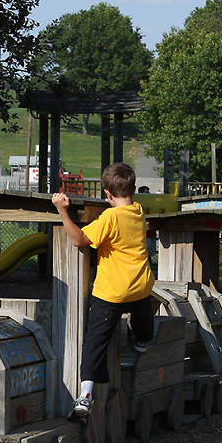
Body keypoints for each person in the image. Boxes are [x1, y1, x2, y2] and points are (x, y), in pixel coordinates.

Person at [51, 163, 155, 419]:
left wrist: (62, 211)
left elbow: (79, 240)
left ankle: (85, 396)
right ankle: (142, 340)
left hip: (112, 292)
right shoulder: (138, 211)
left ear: (107, 194)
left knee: (94, 343)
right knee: (143, 313)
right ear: (132, 190)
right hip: (140, 287)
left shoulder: (109, 218)